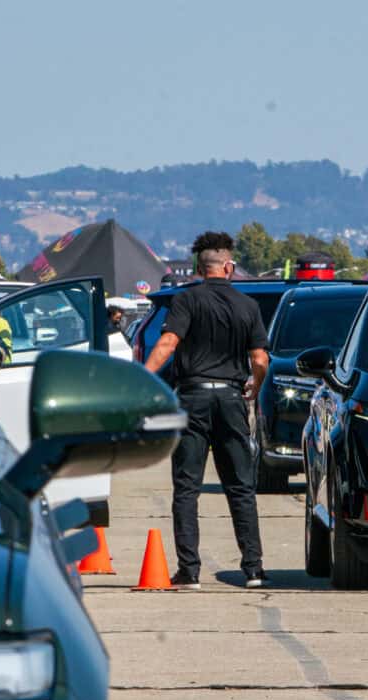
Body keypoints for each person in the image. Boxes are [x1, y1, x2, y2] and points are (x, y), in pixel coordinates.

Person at [143, 231, 269, 590]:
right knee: (241, 486)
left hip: (192, 398)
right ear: (228, 267)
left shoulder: (186, 301)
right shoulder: (248, 306)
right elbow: (260, 359)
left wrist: (142, 378)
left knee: (186, 488)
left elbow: (167, 342)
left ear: (200, 268)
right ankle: (254, 569)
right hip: (231, 399)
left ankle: (190, 571)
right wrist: (255, 386)